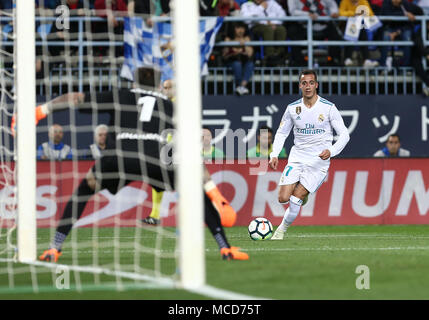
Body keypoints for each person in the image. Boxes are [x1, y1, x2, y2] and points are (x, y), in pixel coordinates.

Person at [33, 67, 247, 262]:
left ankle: (54, 247)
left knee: (82, 192)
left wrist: (42, 110)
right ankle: (224, 247)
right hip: (156, 159)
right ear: (157, 84)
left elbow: (77, 98)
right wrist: (213, 191)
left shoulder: (121, 94)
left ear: (133, 83)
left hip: (118, 158)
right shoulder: (169, 106)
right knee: (196, 194)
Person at [269, 69, 350, 240]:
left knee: (295, 199)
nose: (308, 86)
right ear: (300, 85)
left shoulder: (328, 108)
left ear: (316, 85)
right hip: (297, 158)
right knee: (283, 198)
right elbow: (282, 133)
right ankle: (302, 197)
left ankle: (281, 230)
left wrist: (332, 151)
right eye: (304, 83)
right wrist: (274, 154)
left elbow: (344, 134)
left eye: (311, 83)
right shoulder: (292, 108)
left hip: (318, 162)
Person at [287, 0, 343, 66]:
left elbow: (332, 6)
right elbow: (292, 11)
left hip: (324, 25)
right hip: (303, 26)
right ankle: (298, 63)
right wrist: (307, 14)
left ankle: (333, 62)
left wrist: (334, 13)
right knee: (292, 32)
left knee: (336, 34)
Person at [240, 0, 287, 67]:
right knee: (268, 30)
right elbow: (246, 20)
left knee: (281, 30)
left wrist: (273, 23)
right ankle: (269, 56)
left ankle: (279, 55)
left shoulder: (272, 3)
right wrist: (261, 8)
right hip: (256, 26)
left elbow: (283, 15)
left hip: (274, 24)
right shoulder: (247, 5)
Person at [339, 0, 380, 68]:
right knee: (354, 27)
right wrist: (354, 13)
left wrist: (363, 13)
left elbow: (371, 14)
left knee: (360, 28)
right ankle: (361, 59)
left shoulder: (363, 1)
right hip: (345, 26)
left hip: (360, 26)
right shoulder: (345, 1)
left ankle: (364, 60)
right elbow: (341, 13)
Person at [378, 0, 416, 70]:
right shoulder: (386, 3)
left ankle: (405, 67)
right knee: (386, 37)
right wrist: (404, 14)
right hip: (388, 28)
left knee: (407, 37)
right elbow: (385, 16)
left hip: (402, 29)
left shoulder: (405, 4)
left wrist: (397, 32)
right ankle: (382, 65)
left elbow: (410, 24)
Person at [222, 22, 254, 96]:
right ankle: (241, 86)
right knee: (237, 64)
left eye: (242, 28)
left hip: (244, 60)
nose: (240, 30)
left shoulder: (247, 38)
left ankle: (241, 86)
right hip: (232, 61)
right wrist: (234, 50)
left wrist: (244, 45)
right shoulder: (228, 39)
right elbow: (224, 55)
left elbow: (250, 54)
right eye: (238, 28)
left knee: (250, 64)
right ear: (234, 29)